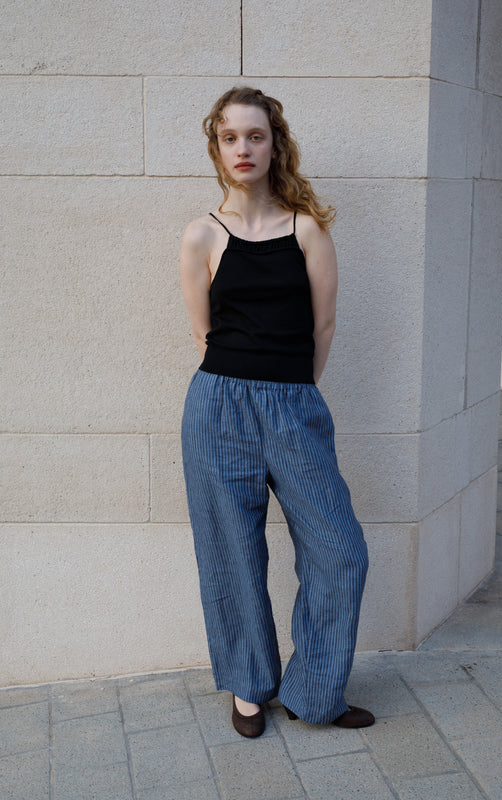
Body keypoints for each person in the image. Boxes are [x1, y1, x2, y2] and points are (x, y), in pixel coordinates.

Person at [180, 86, 374, 738]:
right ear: (217, 147)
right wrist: (243, 385)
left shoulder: (306, 229)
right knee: (231, 555)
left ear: (274, 144)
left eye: (255, 136)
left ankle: (314, 692)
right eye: (230, 137)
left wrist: (291, 394)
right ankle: (248, 685)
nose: (243, 148)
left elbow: (322, 327)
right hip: (217, 408)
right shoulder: (200, 233)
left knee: (340, 552)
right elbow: (204, 332)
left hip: (294, 407)